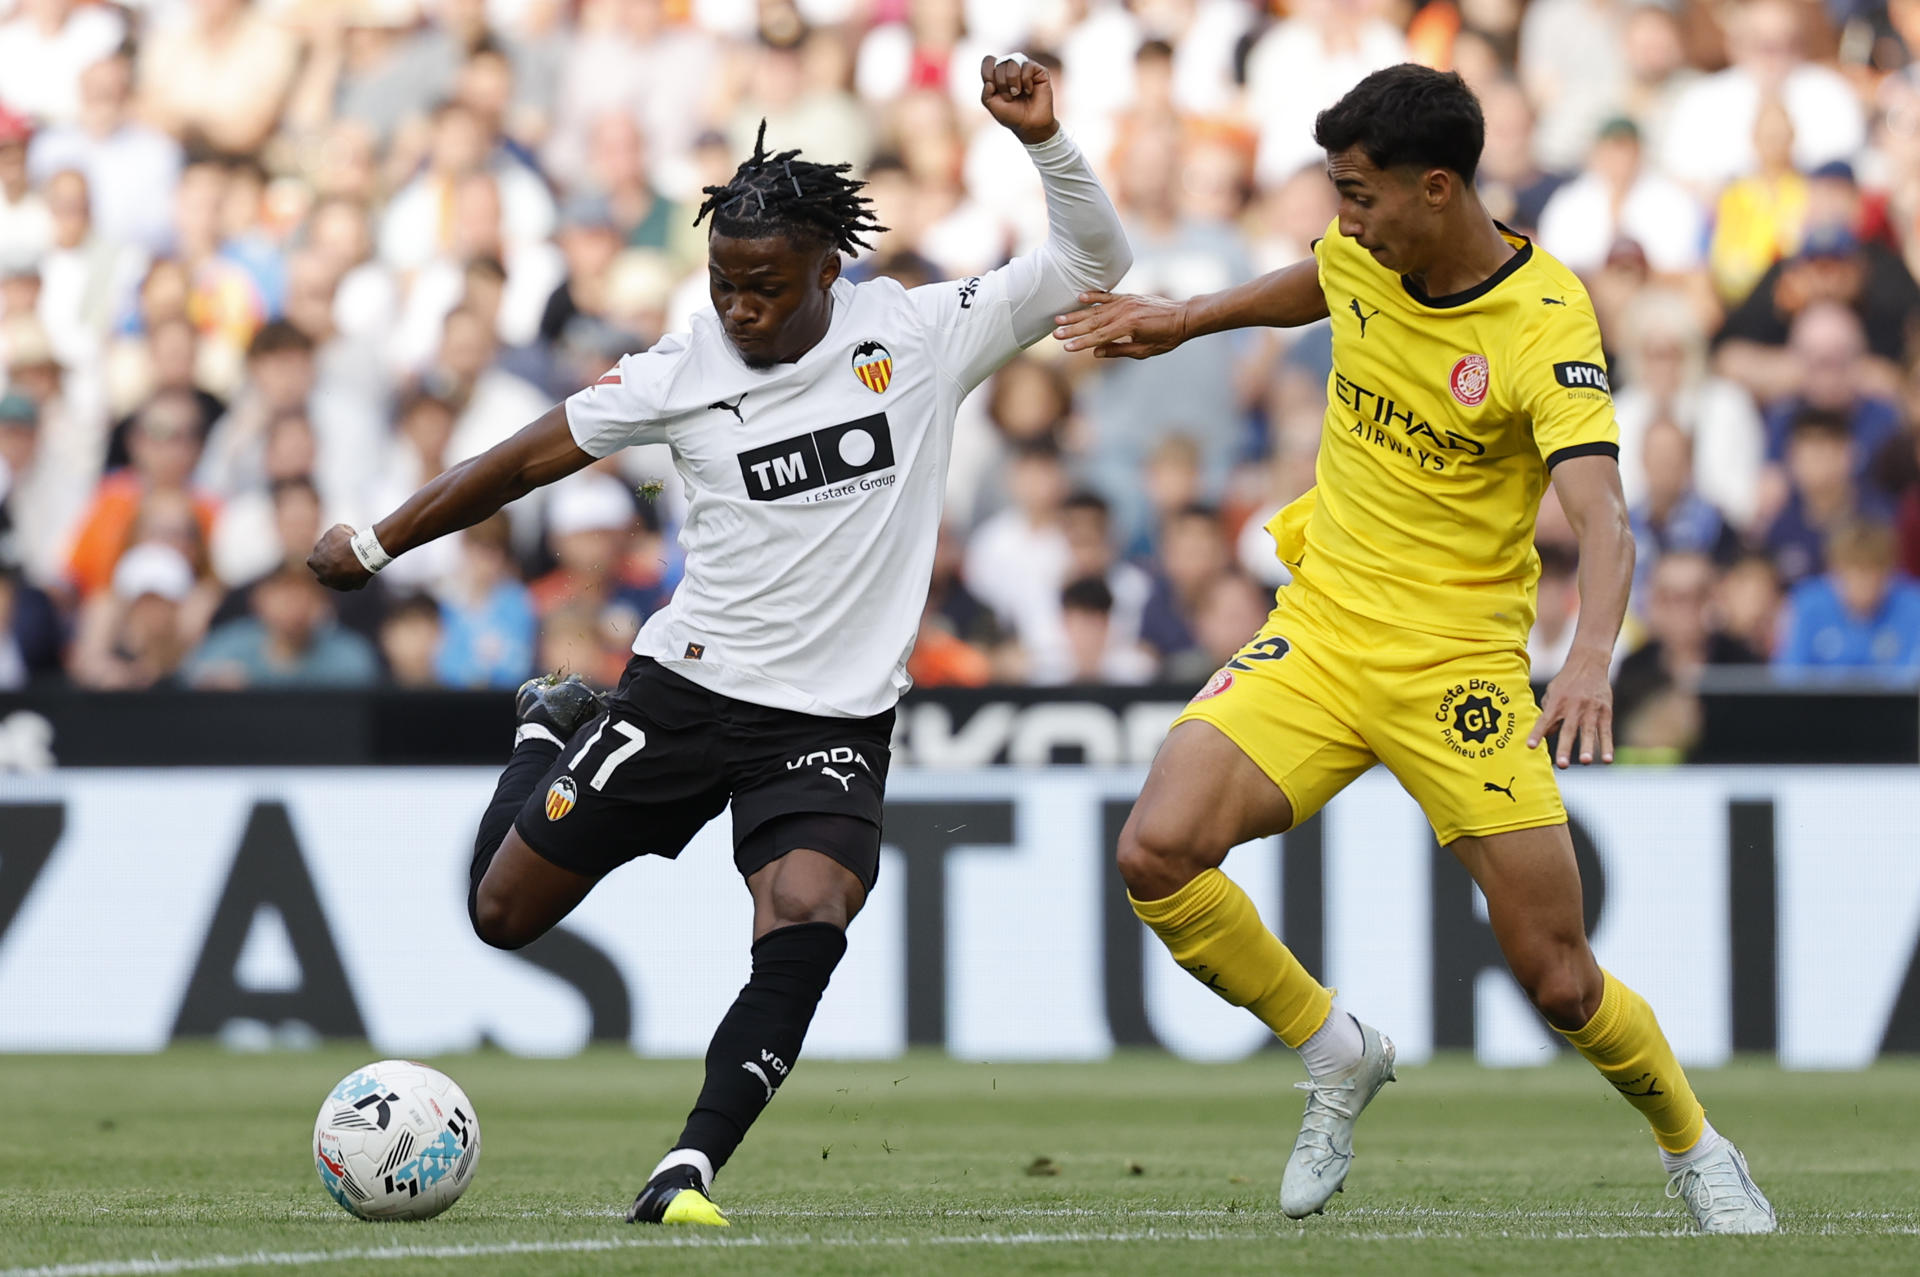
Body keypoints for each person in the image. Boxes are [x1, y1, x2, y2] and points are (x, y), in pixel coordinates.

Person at [308, 56, 1128, 1227]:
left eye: (763, 286)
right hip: (685, 692)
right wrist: (380, 540)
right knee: (502, 915)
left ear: (826, 269)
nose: (737, 307)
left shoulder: (922, 333)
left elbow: (1094, 265)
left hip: (833, 720)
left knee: (807, 913)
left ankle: (689, 1164)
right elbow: (523, 458)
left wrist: (1046, 142)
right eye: (723, 282)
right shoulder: (679, 369)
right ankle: (550, 724)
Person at [1052, 64, 1773, 1234]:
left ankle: (1696, 1145)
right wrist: (1184, 318)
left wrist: (1589, 656)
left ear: (1436, 189)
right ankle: (1337, 1051)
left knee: (1559, 976)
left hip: (1462, 670)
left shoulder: (1545, 322)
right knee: (1157, 849)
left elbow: (1602, 514)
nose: (1343, 218)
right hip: (1324, 629)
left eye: (1359, 194)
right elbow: (1317, 285)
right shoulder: (1365, 255)